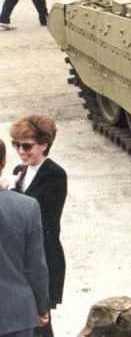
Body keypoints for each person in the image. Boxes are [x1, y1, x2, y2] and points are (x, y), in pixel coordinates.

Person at [11, 115, 67, 337]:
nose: (21, 151)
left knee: (40, 321)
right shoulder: (20, 170)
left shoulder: (55, 174)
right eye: (16, 145)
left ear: (44, 144)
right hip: (23, 257)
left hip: (43, 257)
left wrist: (10, 193)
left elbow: (43, 219)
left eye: (27, 146)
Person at [0, 138, 51, 337]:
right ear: (3, 163)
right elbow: (36, 266)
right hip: (16, 314)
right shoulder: (27, 207)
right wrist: (42, 306)